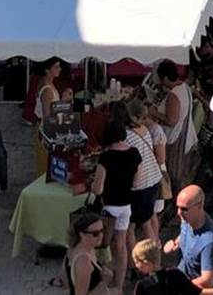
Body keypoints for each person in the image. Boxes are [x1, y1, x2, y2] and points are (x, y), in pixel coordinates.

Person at [92, 119, 141, 290]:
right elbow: (136, 182)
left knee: (104, 245)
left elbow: (97, 189)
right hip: (126, 206)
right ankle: (119, 285)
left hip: (109, 207)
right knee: (120, 245)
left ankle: (104, 281)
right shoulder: (134, 153)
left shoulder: (106, 157)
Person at [132, 238, 213, 295]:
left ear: (146, 263)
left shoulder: (143, 286)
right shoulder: (175, 275)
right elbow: (200, 292)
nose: (135, 265)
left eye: (137, 262)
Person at [164, 185, 213, 289]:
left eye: (184, 209)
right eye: (177, 207)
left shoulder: (209, 241)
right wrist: (176, 243)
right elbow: (185, 233)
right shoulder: (187, 220)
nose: (179, 213)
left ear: (200, 205)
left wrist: (177, 287)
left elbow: (208, 281)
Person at [126, 98, 168, 247]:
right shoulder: (145, 130)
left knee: (133, 226)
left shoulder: (128, 136)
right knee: (150, 217)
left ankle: (146, 257)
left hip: (140, 184)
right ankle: (157, 244)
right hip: (153, 179)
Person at [156, 61, 197, 196]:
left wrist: (153, 112)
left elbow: (172, 121)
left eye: (161, 79)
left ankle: (180, 205)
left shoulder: (174, 94)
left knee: (176, 177)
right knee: (182, 176)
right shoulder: (184, 87)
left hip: (177, 141)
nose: (161, 82)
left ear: (166, 78)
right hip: (187, 138)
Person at [66, 212, 107, 294]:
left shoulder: (77, 248)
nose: (101, 236)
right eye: (95, 233)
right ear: (82, 234)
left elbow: (65, 280)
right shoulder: (83, 261)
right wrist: (105, 282)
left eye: (102, 230)